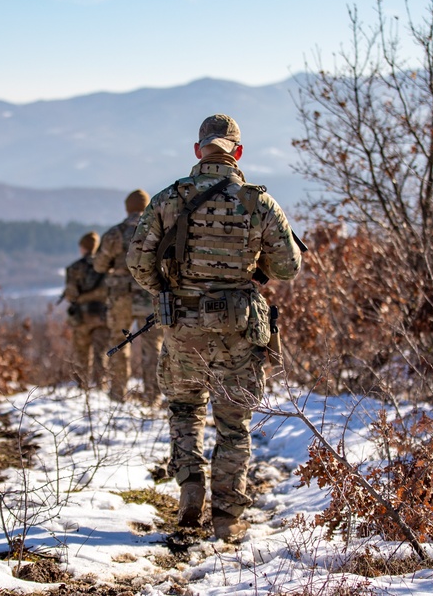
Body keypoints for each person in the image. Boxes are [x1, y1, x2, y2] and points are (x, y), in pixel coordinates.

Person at [126, 114, 302, 541]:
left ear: (198, 150)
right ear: (238, 152)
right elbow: (289, 267)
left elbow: (137, 262)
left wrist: (165, 289)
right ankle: (226, 515)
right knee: (233, 423)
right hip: (239, 327)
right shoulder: (257, 202)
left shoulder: (171, 197)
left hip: (184, 324)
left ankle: (190, 490)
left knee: (185, 409)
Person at [94, 190, 164, 402]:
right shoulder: (156, 230)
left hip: (120, 297)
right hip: (150, 294)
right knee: (153, 346)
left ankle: (117, 394)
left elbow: (99, 265)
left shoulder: (114, 234)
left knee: (118, 342)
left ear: (127, 208)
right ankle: (152, 396)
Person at [63, 231, 109, 389]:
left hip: (81, 317)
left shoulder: (74, 268)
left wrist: (81, 298)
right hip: (102, 316)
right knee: (101, 354)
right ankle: (101, 386)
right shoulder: (105, 268)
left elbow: (71, 294)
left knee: (81, 355)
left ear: (83, 247)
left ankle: (83, 387)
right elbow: (108, 291)